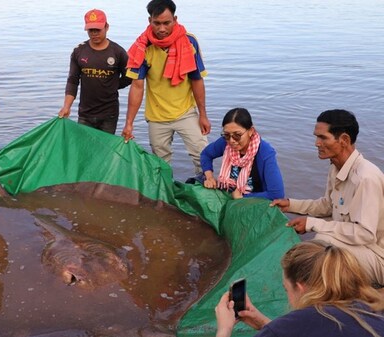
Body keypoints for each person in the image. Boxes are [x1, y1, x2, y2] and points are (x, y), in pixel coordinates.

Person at [271, 109, 384, 287]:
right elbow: (327, 206)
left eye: (323, 138)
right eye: (317, 137)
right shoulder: (336, 167)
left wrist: (312, 224)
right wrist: (291, 205)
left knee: (324, 243)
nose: (317, 143)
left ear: (344, 140)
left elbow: (365, 234)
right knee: (319, 243)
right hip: (359, 248)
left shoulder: (366, 178)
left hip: (377, 256)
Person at [215, 240, 384, 337]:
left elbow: (303, 327)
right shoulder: (373, 311)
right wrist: (264, 323)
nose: (287, 295)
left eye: (286, 289)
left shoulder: (289, 327)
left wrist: (225, 328)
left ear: (301, 288)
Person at [121, 0, 211, 174]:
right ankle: (165, 196)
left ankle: (207, 192)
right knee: (161, 164)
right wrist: (129, 123)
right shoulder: (142, 46)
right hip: (157, 117)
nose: (162, 29)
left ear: (175, 19)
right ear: (150, 21)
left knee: (202, 156)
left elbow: (196, 80)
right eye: (157, 23)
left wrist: (203, 115)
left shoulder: (189, 42)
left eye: (166, 23)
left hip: (186, 112)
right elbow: (137, 87)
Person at [58, 9, 131, 134]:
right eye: (91, 30)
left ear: (106, 27)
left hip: (109, 114)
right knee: (85, 150)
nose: (94, 34)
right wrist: (67, 106)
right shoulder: (79, 51)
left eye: (98, 30)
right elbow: (73, 81)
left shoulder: (118, 52)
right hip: (85, 113)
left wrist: (112, 85)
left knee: (104, 150)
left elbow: (129, 77)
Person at [200, 108, 284, 200]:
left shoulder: (265, 153)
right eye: (227, 135)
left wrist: (242, 197)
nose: (232, 141)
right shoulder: (225, 143)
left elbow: (277, 194)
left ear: (250, 131)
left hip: (252, 200)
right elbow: (206, 154)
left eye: (237, 135)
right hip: (229, 192)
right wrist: (209, 177)